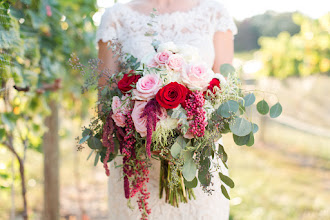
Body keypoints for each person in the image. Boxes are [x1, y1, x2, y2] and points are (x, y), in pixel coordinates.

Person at [96, 0, 237, 219]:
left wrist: (190, 132)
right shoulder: (117, 16)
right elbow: (105, 100)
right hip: (137, 169)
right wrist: (143, 126)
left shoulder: (214, 12)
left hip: (198, 166)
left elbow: (225, 94)